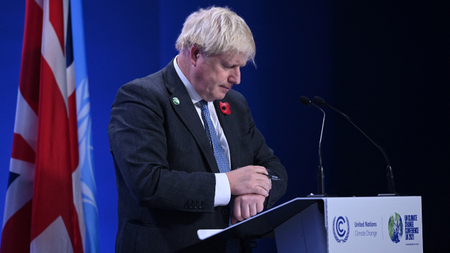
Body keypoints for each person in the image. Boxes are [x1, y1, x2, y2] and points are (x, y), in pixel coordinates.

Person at [108, 6, 288, 253]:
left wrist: (257, 194)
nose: (237, 79)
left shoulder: (235, 104)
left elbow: (273, 169)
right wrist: (229, 185)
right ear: (195, 54)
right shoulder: (141, 98)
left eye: (241, 67)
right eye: (228, 66)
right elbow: (148, 184)